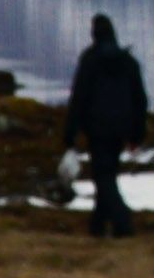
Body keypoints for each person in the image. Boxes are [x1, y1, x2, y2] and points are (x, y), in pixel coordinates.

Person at [62, 13, 148, 239]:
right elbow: (140, 100)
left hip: (97, 128)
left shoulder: (90, 60)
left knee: (103, 177)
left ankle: (122, 222)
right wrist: (137, 134)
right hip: (122, 129)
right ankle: (97, 226)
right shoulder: (129, 62)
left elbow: (79, 97)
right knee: (107, 173)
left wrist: (70, 134)